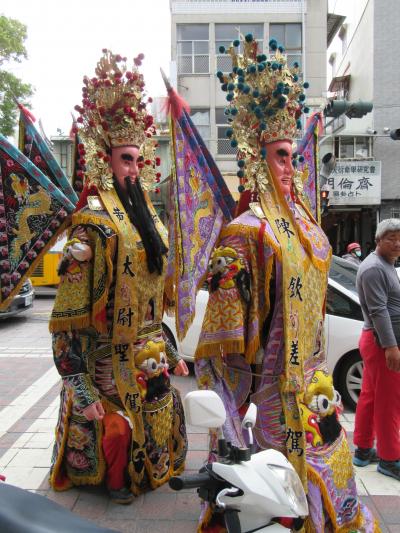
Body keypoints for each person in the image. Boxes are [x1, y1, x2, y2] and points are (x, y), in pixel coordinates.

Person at [194, 37, 379, 531]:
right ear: (256, 158)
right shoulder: (246, 232)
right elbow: (221, 348)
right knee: (283, 491)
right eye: (279, 156)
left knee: (335, 476)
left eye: (292, 157)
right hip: (274, 393)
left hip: (315, 386)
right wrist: (231, 416)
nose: (290, 168)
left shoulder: (310, 231)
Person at [48, 50, 188, 504]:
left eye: (137, 161)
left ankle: (147, 473)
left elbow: (152, 309)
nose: (133, 170)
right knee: (117, 428)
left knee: (170, 406)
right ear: (105, 160)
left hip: (147, 358)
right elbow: (65, 328)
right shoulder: (93, 227)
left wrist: (169, 350)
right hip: (105, 363)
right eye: (125, 160)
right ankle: (114, 482)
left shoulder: (151, 225)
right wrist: (81, 387)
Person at [353, 218, 400, 481]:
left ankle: (362, 450)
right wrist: (392, 347)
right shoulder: (373, 268)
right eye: (391, 238)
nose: (397, 243)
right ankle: (390, 458)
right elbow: (378, 311)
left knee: (371, 398)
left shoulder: (385, 265)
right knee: (388, 403)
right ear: (378, 240)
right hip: (382, 343)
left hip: (379, 341)